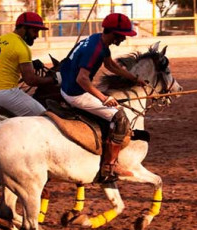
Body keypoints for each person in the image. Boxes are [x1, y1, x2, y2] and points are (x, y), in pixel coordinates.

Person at [59, 13, 146, 182]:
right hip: (75, 93)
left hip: (67, 84)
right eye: (123, 35)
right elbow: (82, 79)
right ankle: (109, 165)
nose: (124, 39)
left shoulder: (98, 40)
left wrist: (134, 79)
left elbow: (110, 65)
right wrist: (103, 98)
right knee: (119, 117)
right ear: (114, 33)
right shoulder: (95, 49)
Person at [0, 12, 57, 116]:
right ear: (24, 28)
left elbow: (7, 62)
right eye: (34, 31)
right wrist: (55, 79)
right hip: (5, 94)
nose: (36, 35)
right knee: (44, 116)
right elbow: (30, 80)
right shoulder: (22, 47)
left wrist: (31, 64)